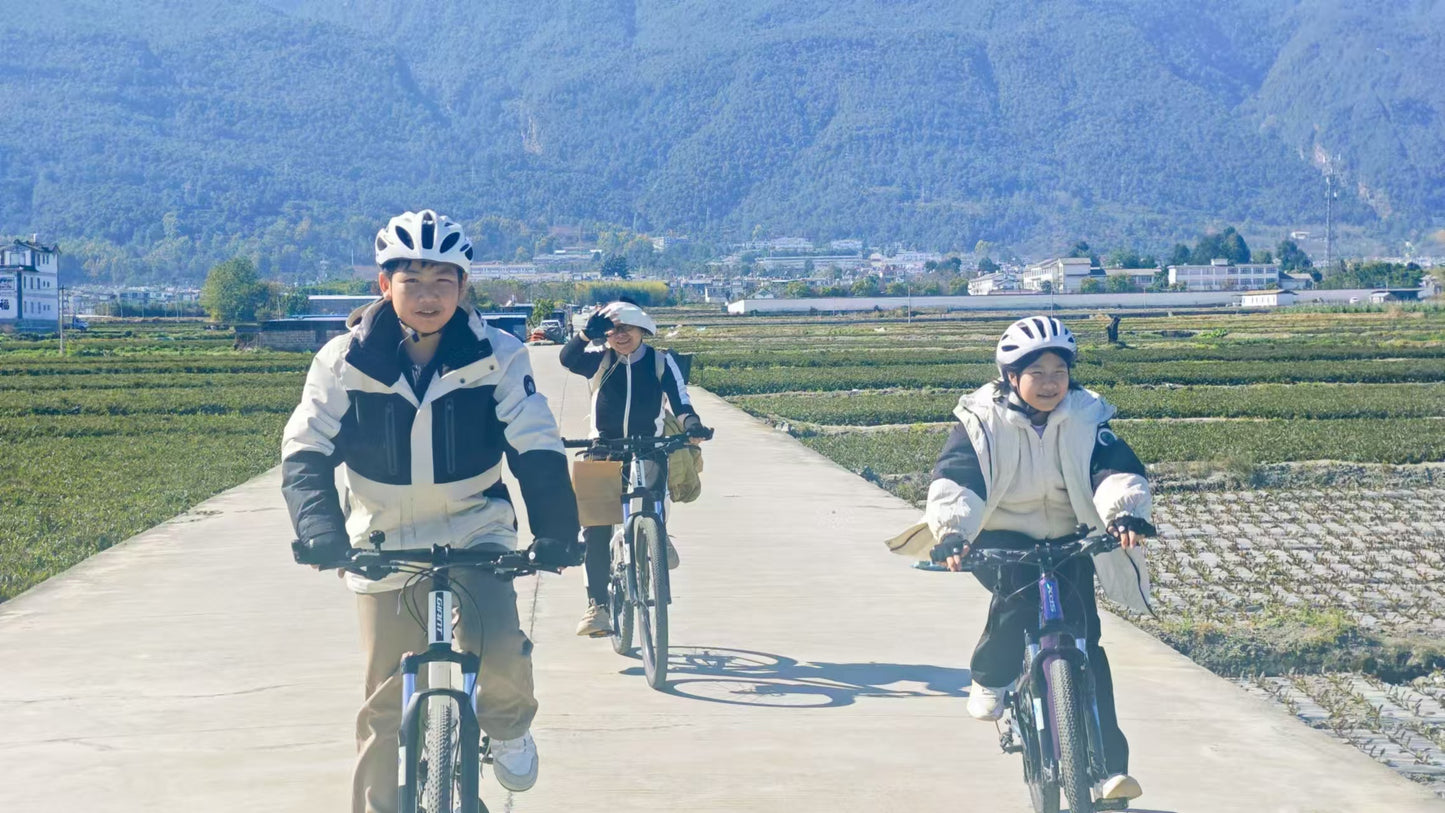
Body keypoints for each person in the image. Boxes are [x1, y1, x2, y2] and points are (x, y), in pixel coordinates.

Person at [281, 210, 581, 813]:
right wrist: (319, 528)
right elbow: (305, 446)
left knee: (498, 646)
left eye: (443, 281)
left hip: (475, 528)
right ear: (382, 285)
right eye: (411, 280)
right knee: (383, 701)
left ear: (464, 288)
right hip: (381, 536)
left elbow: (536, 443)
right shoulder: (344, 361)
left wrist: (556, 530)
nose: (427, 295)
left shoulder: (498, 354)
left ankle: (507, 723)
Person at [889, 315, 1153, 803]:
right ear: (1011, 376)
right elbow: (958, 479)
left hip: (1069, 536)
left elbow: (1112, 470)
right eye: (1038, 372)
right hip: (1002, 536)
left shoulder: (1087, 415)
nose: (1051, 382)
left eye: (1060, 370)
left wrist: (1125, 514)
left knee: (1088, 646)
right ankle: (992, 676)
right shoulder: (981, 420)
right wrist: (952, 533)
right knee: (1017, 598)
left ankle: (1113, 772)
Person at [559, 300, 711, 637]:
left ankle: (656, 537)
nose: (620, 336)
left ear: (643, 330)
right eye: (613, 330)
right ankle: (597, 605)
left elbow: (681, 401)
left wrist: (693, 425)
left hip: (648, 447)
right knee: (596, 530)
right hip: (603, 448)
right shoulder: (600, 358)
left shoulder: (660, 362)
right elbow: (567, 359)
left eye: (627, 328)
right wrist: (586, 334)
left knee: (653, 503)